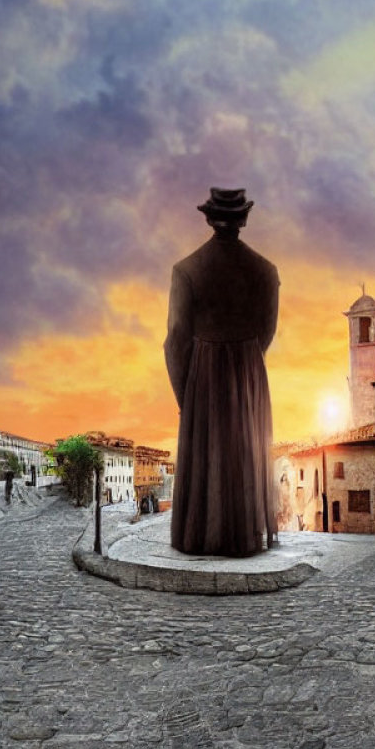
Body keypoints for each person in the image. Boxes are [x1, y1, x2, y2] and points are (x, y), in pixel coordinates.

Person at [164, 188, 279, 557]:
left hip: (203, 374)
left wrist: (187, 395)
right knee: (244, 453)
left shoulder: (186, 270)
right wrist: (245, 363)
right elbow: (267, 332)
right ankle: (243, 537)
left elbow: (175, 341)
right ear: (244, 219)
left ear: (209, 219)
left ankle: (200, 536)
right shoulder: (265, 270)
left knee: (205, 453)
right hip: (249, 373)